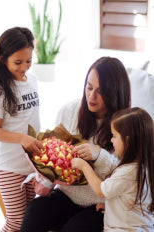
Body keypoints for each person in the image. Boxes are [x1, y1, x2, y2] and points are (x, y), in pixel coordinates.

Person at [21, 56, 131, 232]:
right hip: (66, 195)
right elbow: (54, 152)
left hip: (100, 204)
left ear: (115, 93)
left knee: (74, 228)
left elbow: (128, 176)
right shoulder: (70, 111)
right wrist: (47, 183)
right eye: (89, 87)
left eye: (100, 91)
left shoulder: (127, 126)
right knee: (35, 210)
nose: (91, 96)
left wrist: (99, 155)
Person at [0, 27, 43, 232]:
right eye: (17, 62)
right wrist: (21, 138)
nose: (24, 67)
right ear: (3, 59)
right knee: (16, 222)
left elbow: (32, 119)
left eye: (28, 61)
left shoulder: (33, 81)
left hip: (31, 165)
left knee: (28, 222)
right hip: (9, 166)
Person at [72, 107, 154, 231]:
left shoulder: (129, 172)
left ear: (127, 141)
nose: (112, 140)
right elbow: (130, 198)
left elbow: (101, 190)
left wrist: (84, 166)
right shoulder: (145, 167)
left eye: (114, 136)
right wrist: (112, 206)